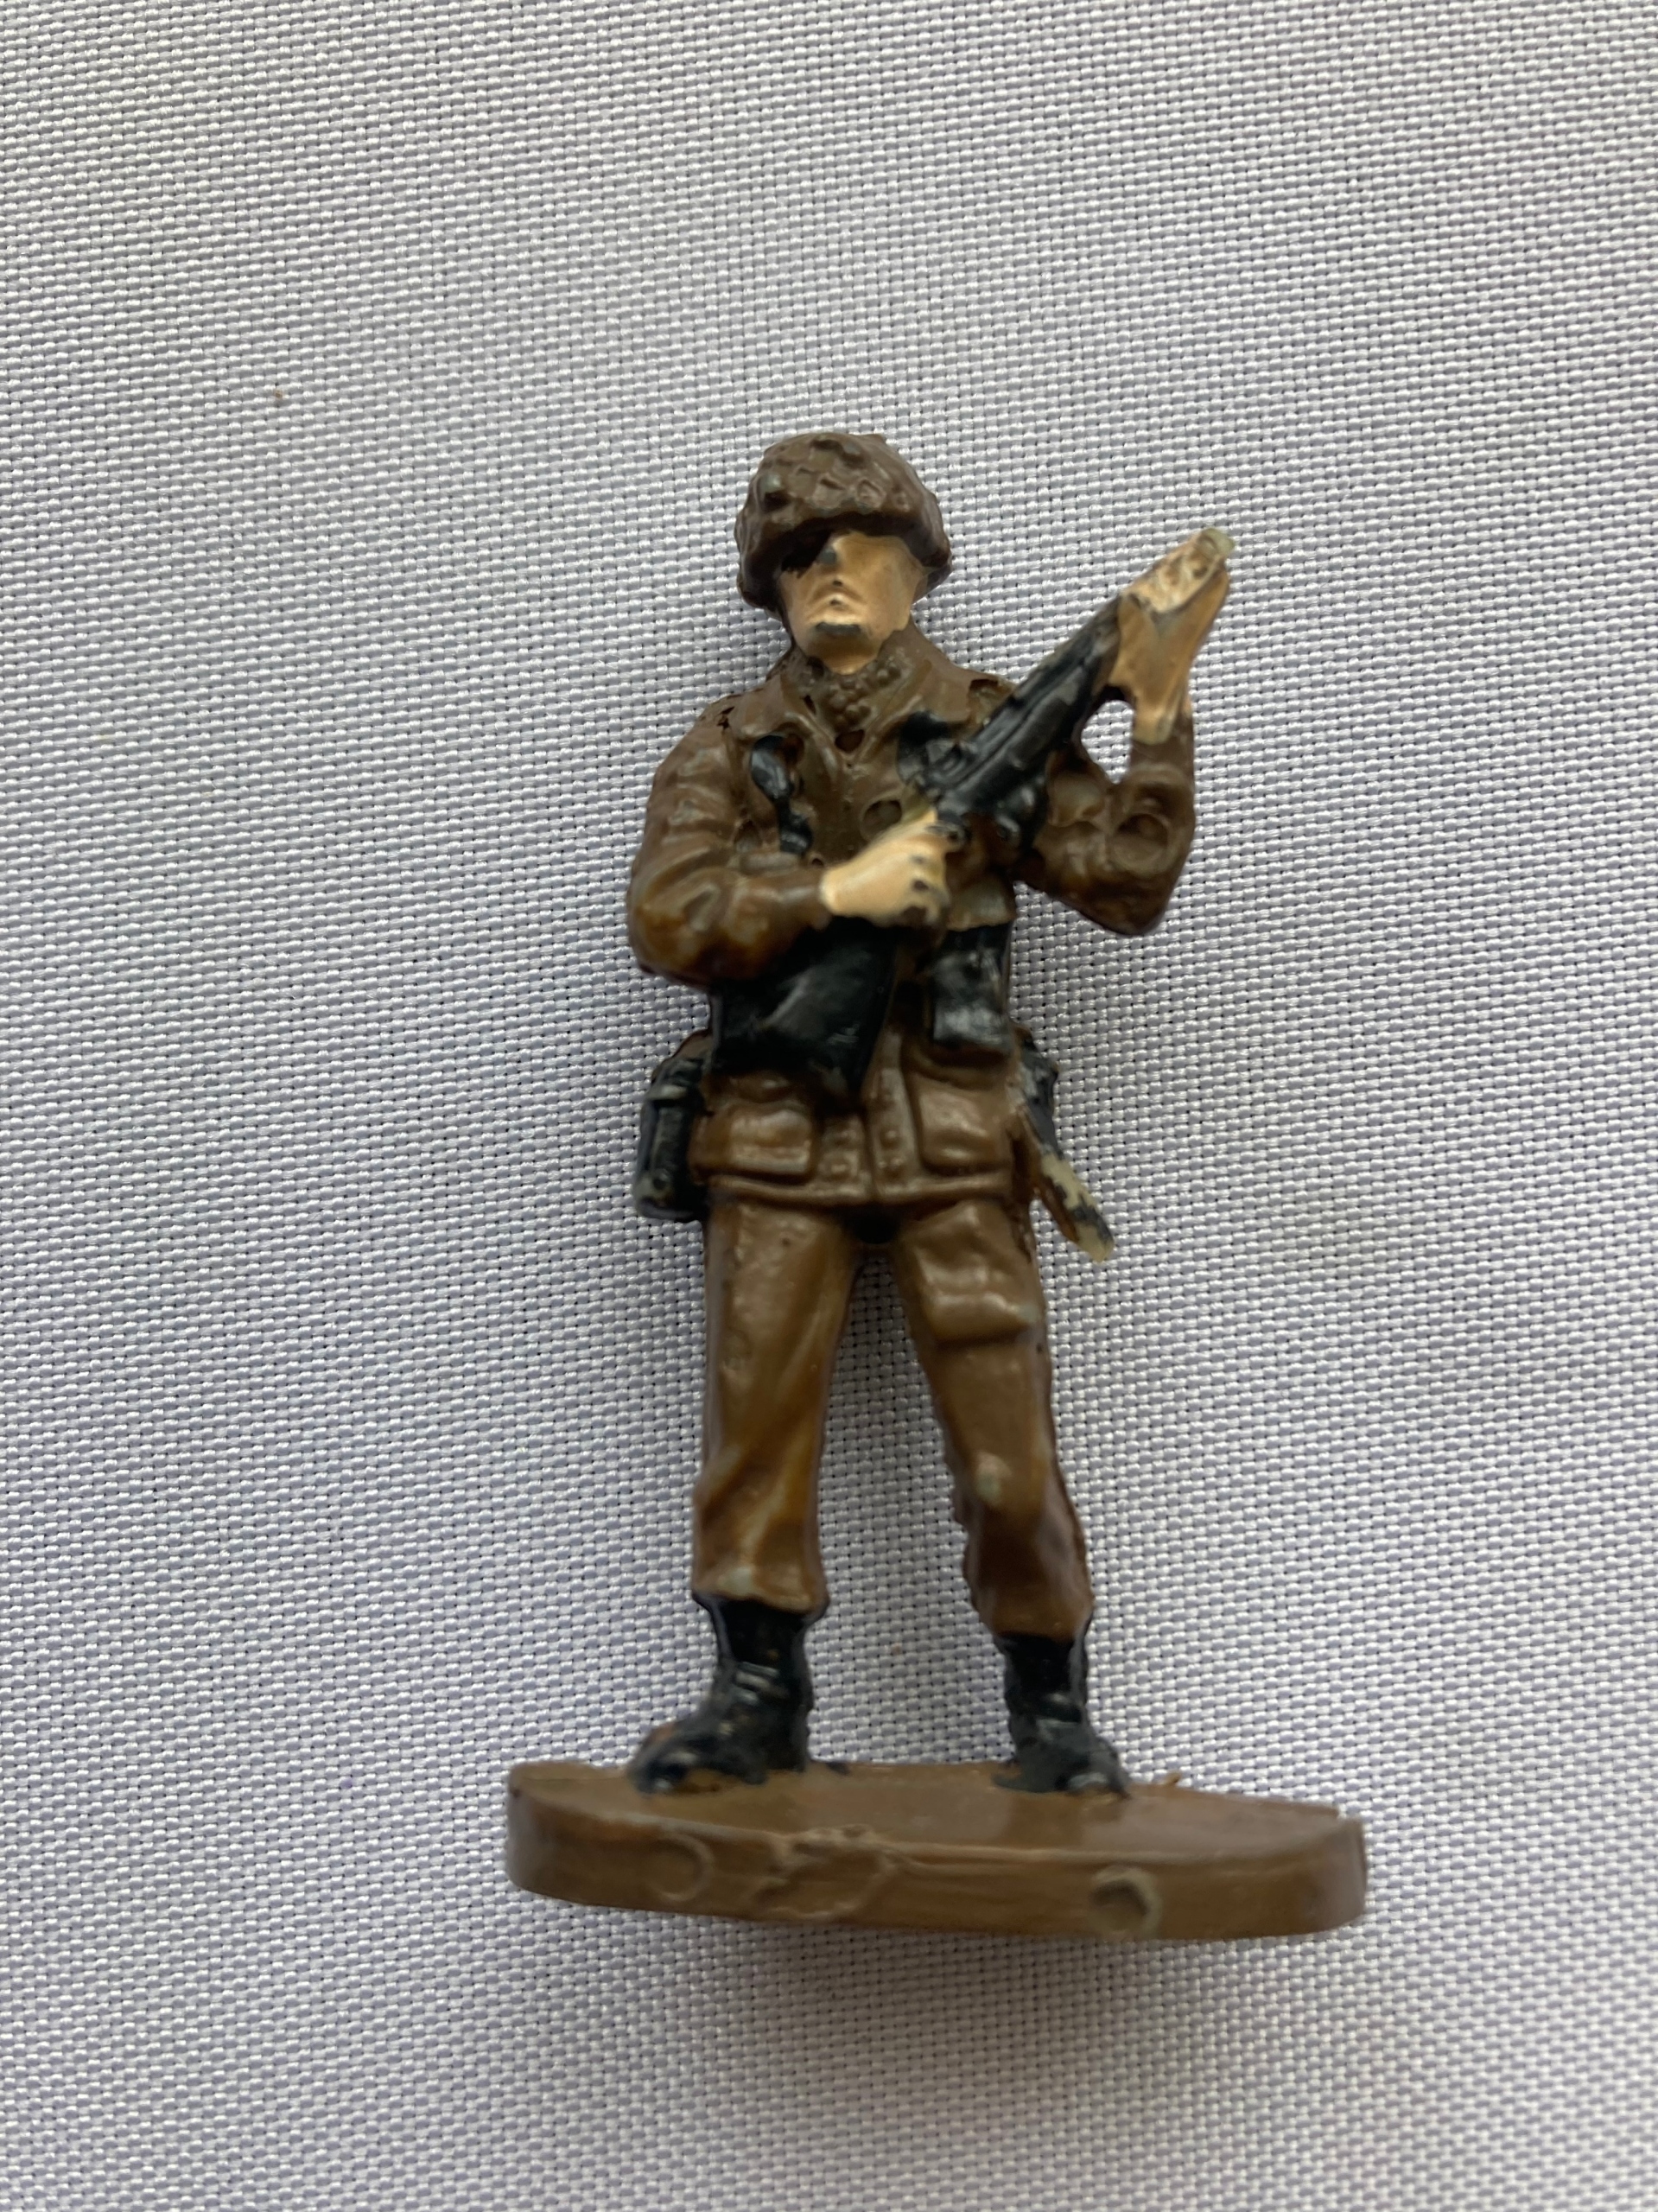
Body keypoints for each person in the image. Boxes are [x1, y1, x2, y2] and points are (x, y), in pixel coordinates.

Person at [626, 431, 1204, 1795]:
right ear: (771, 587)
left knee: (1010, 1452)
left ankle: (1051, 1708)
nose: (834, 575)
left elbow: (1123, 884)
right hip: (776, 1133)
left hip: (952, 1134)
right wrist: (837, 893)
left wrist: (1158, 713)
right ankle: (756, 1694)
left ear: (918, 571)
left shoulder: (996, 726)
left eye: (864, 551)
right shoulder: (731, 744)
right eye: (802, 558)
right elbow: (667, 913)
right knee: (756, 1435)